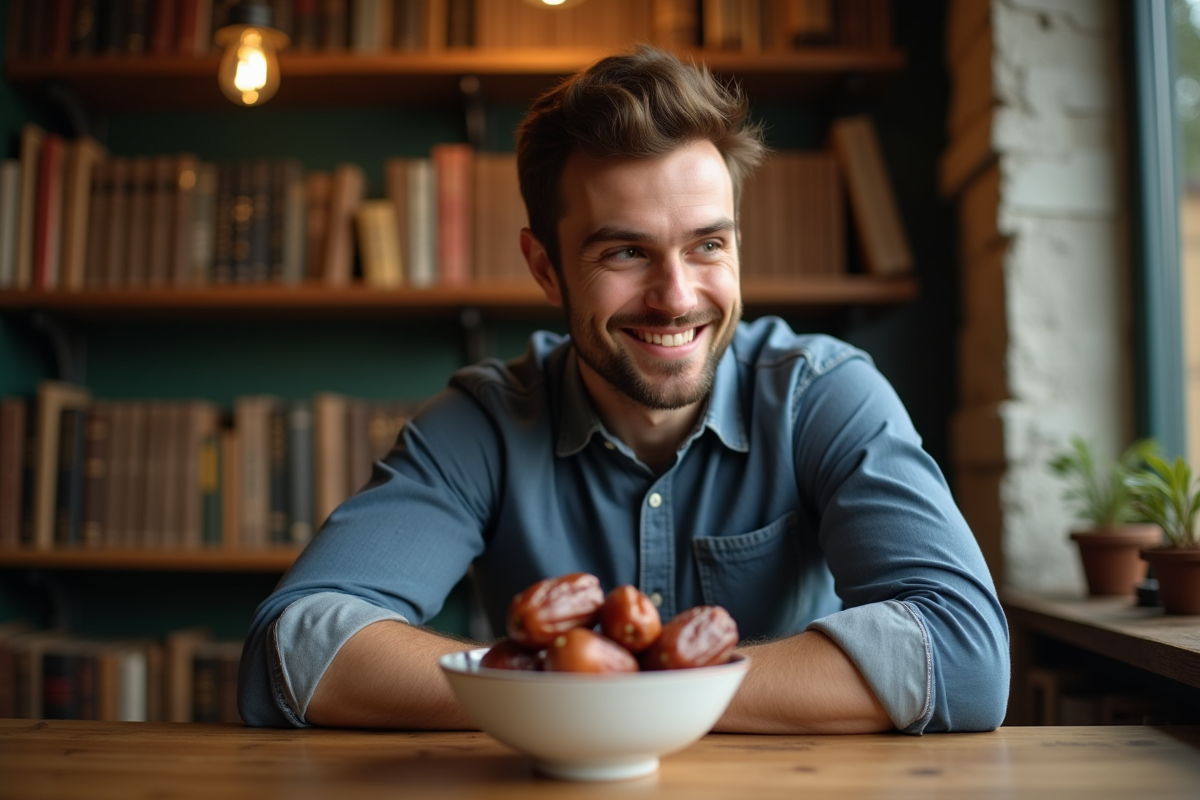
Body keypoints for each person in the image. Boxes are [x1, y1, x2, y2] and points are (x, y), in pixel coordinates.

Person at [238, 45, 1009, 734]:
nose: (676, 297)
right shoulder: (484, 422)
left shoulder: (824, 395)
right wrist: (591, 689)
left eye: (708, 244)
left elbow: (965, 659)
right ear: (545, 268)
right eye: (626, 253)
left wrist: (609, 694)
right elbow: (296, 647)